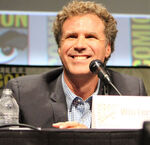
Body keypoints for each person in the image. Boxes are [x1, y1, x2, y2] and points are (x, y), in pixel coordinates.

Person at [6, 0, 147, 129]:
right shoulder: (23, 94)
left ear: (108, 48)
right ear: (59, 48)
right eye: (71, 36)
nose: (80, 45)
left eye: (90, 37)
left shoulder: (129, 91)